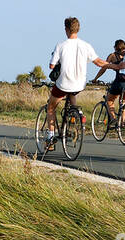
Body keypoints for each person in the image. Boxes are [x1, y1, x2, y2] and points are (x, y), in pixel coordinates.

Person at [43, 17, 119, 149]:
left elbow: (51, 65)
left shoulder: (61, 45)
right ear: (78, 29)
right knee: (72, 93)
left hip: (63, 84)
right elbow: (99, 62)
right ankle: (74, 115)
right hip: (79, 84)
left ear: (66, 29)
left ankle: (50, 138)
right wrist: (117, 67)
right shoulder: (86, 45)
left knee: (51, 107)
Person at [92, 39, 125, 129]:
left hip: (121, 83)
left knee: (109, 100)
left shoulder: (113, 56)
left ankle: (114, 119)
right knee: (123, 102)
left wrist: (95, 78)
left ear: (115, 47)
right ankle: (122, 123)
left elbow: (104, 67)